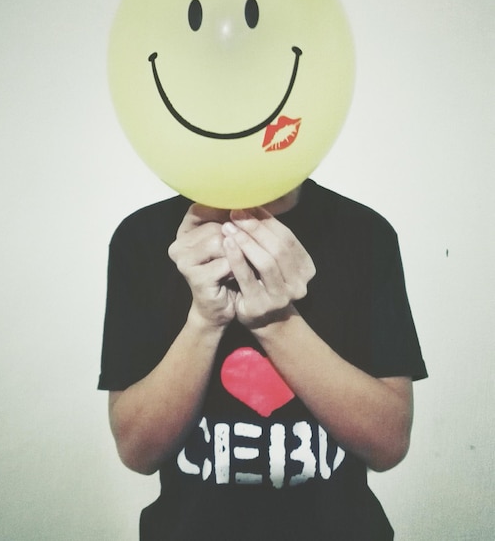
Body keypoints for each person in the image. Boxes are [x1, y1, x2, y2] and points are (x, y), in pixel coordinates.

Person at [98, 178, 427, 540]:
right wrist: (205, 321)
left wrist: (277, 324)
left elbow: (389, 444)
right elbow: (136, 451)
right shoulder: (141, 237)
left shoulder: (364, 233)